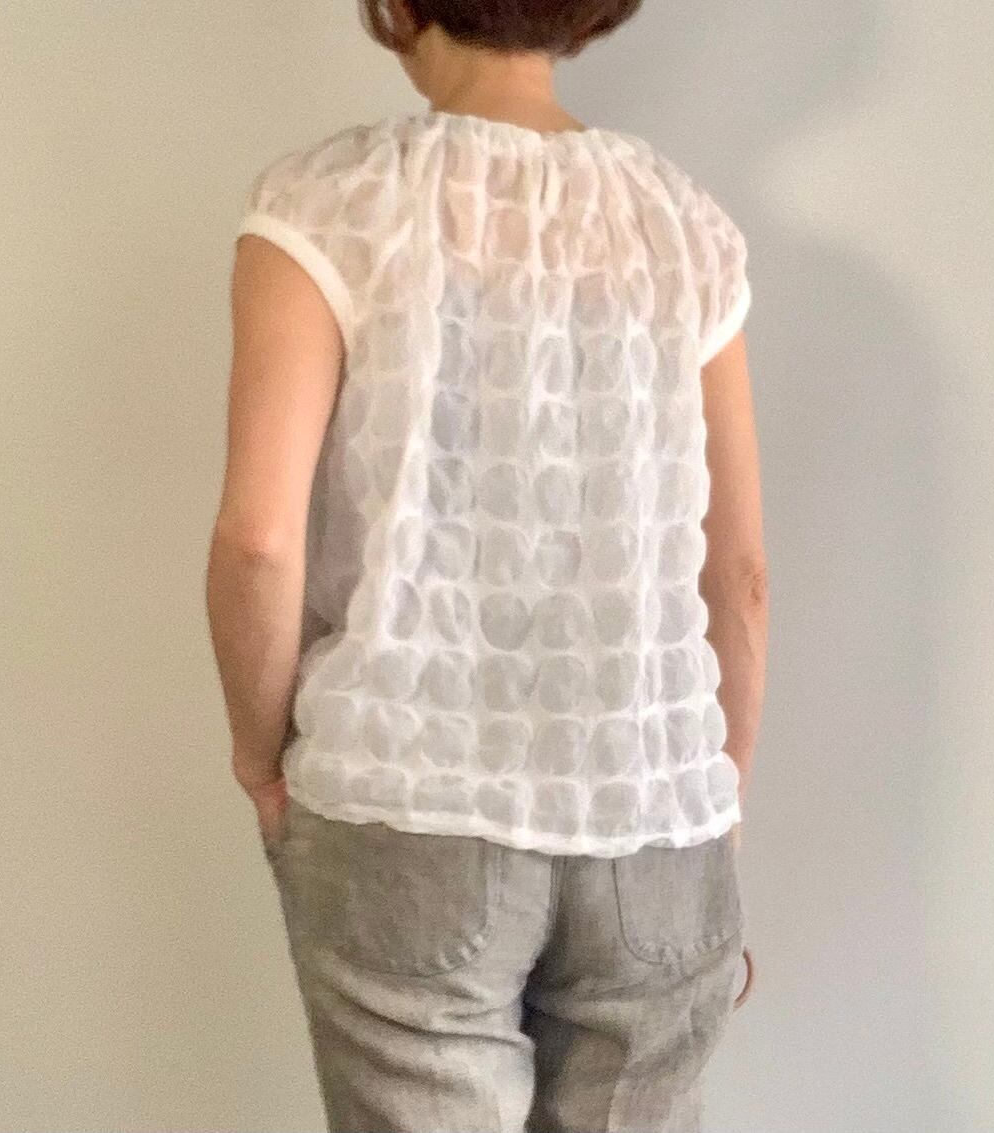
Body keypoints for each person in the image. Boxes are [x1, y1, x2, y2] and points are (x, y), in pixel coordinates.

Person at [206, 1, 768, 1128]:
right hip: (654, 813)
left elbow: (260, 541)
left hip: (405, 799)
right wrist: (713, 797)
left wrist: (259, 759)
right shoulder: (685, 227)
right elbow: (739, 574)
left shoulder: (329, 205)